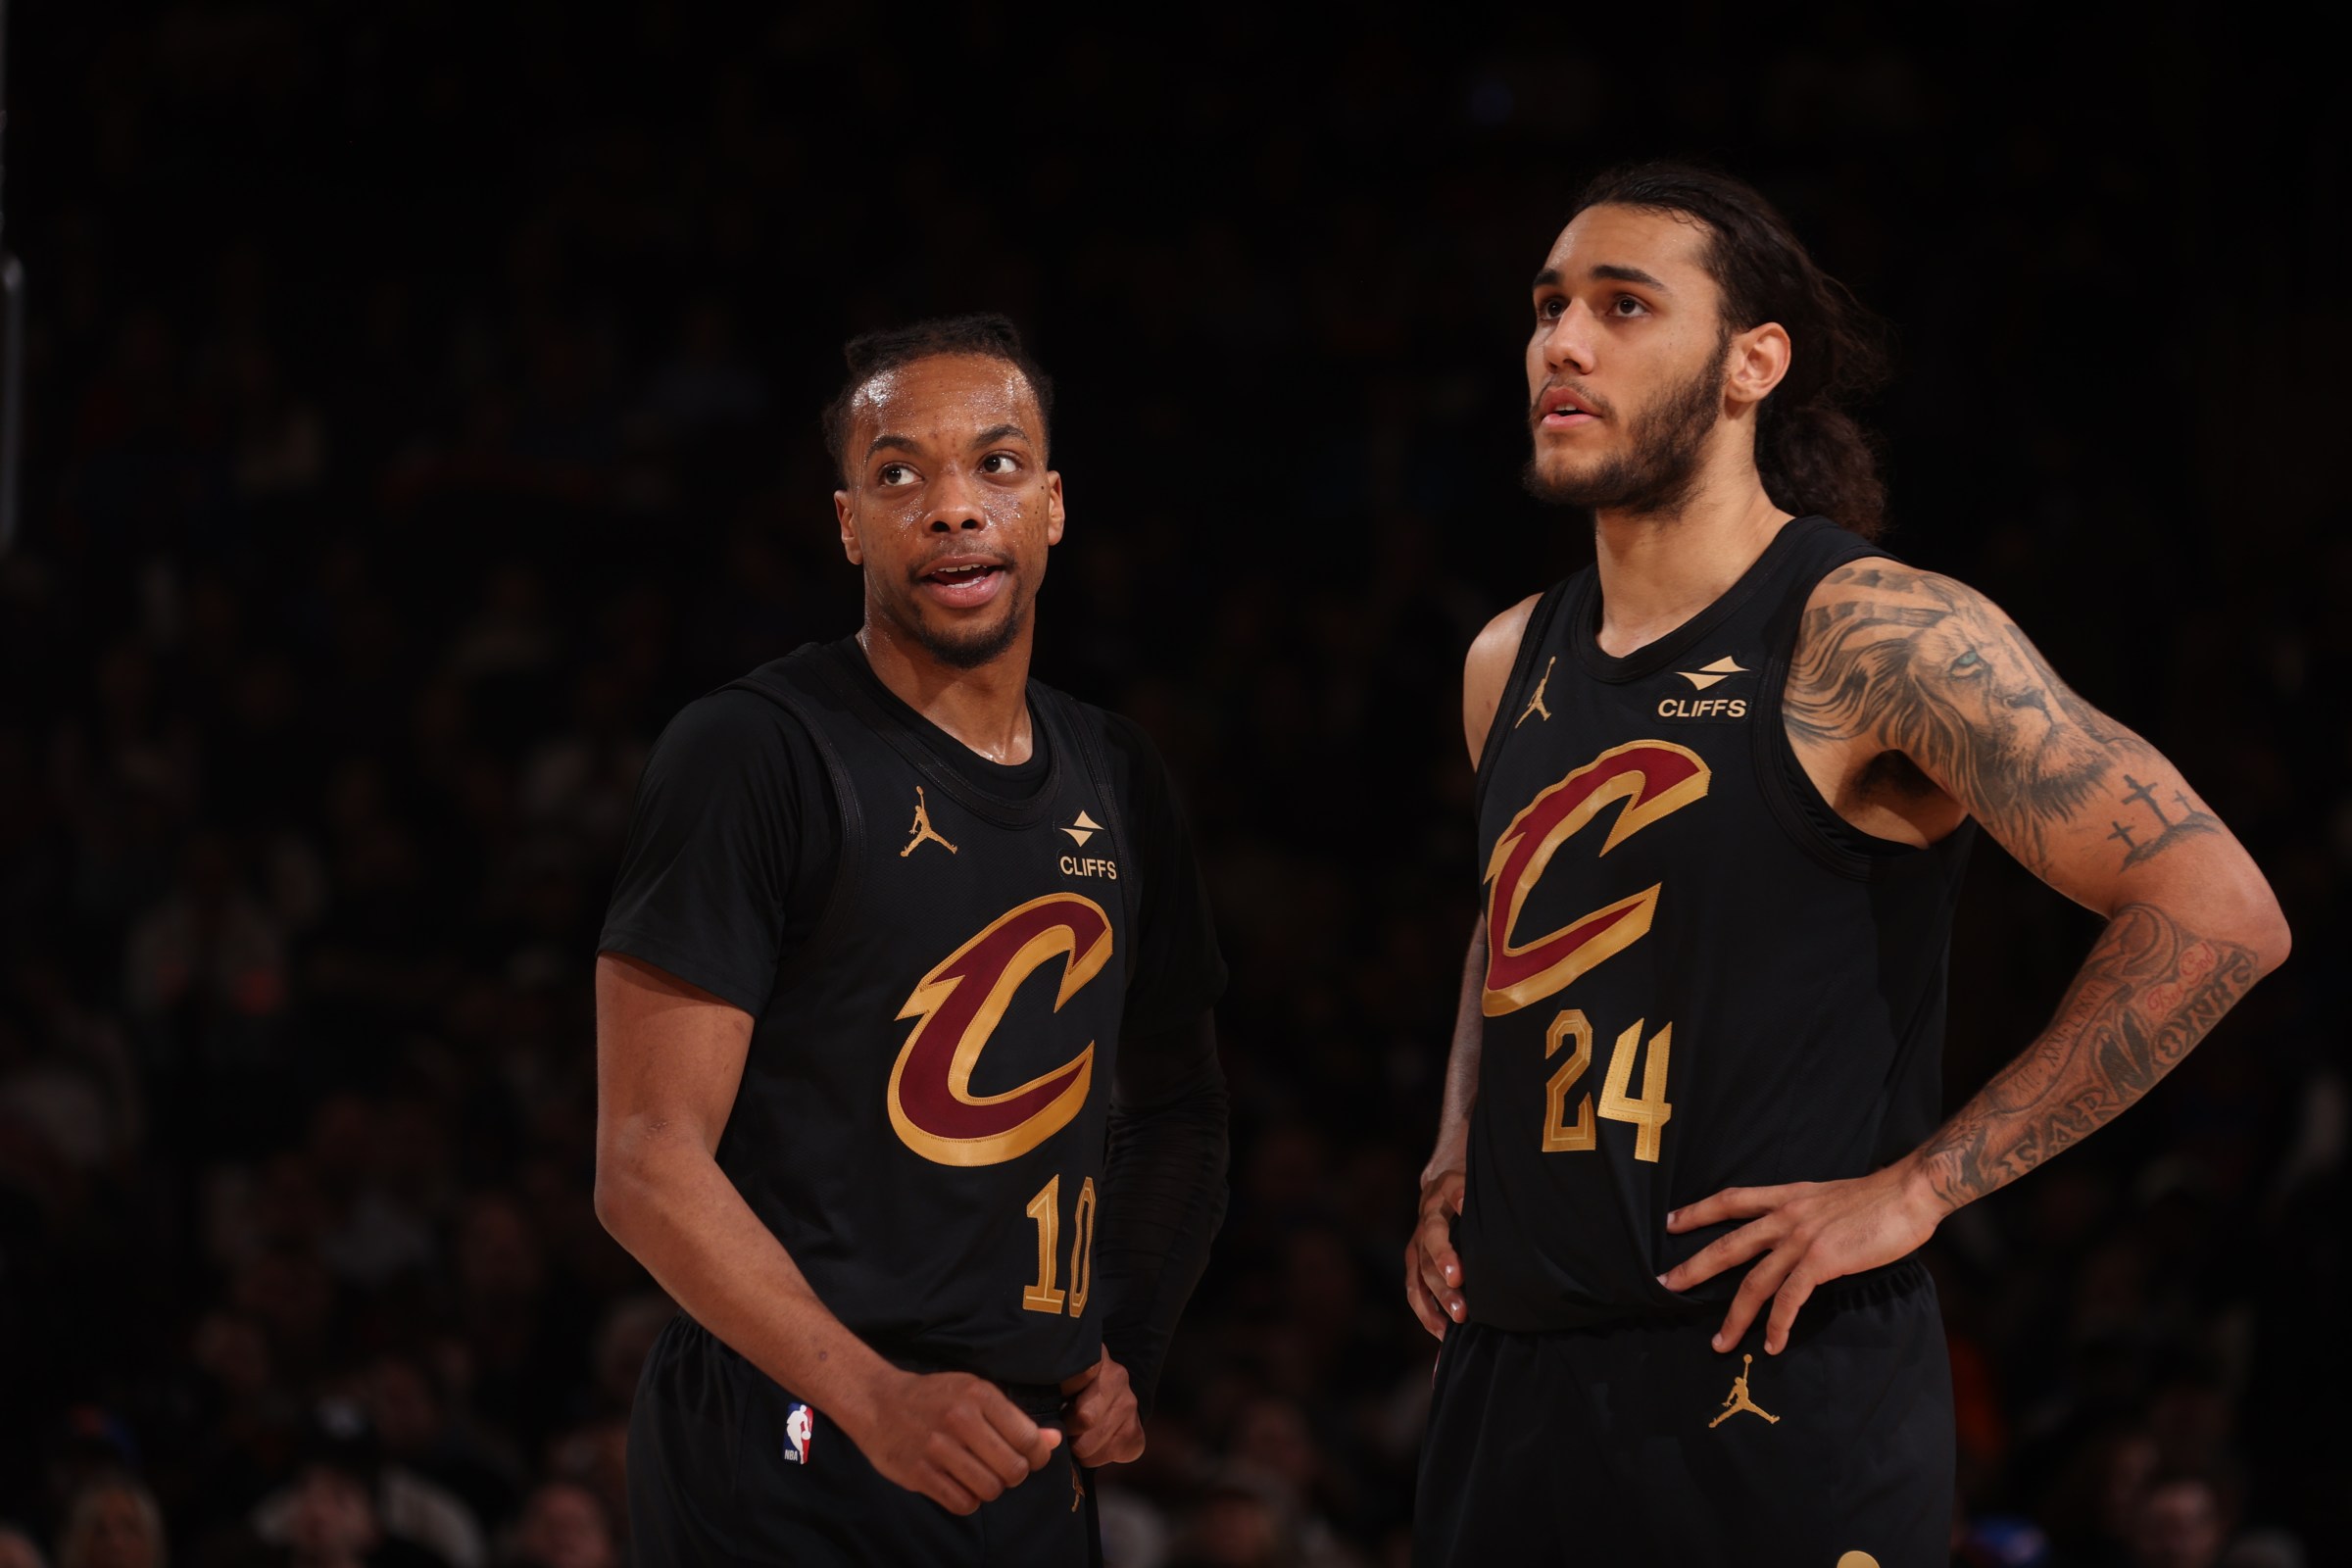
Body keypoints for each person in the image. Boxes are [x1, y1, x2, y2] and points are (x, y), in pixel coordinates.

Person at [1403, 163, 2289, 1566]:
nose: (1562, 343)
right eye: (1549, 306)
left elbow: (2218, 913)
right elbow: (1511, 910)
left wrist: (1923, 1187)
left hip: (1773, 1385)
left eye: (1624, 306)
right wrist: (1458, 1141)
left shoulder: (1868, 635)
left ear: (1755, 361)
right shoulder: (1506, 656)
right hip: (1515, 1383)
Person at [596, 314, 1230, 1564]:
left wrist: (1126, 1347)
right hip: (795, 1440)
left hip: (1022, 1456)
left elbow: (1179, 1112)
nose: (952, 507)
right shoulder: (752, 751)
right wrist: (872, 1397)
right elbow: (647, 1162)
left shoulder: (1117, 773)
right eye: (900, 473)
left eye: (995, 466)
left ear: (1051, 508)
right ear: (848, 524)